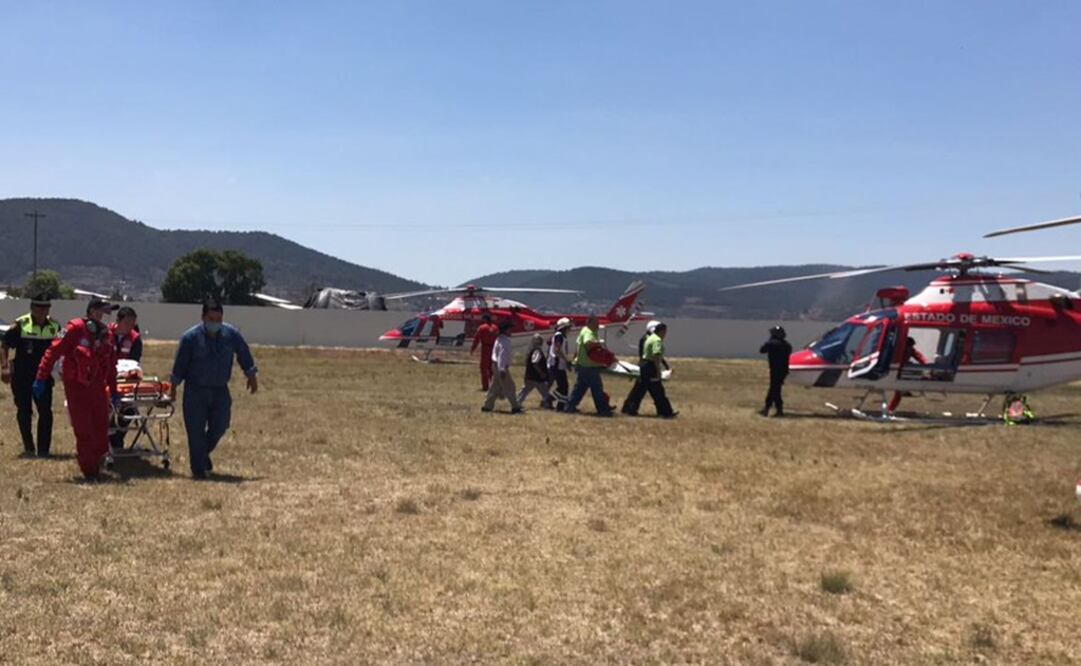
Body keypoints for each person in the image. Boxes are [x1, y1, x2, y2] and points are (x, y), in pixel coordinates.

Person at [170, 299, 258, 479]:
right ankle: (199, 469)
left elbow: (243, 352)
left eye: (218, 319)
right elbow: (180, 365)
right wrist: (173, 387)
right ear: (203, 317)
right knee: (195, 431)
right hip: (195, 391)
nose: (215, 323)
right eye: (211, 319)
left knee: (221, 425)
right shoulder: (190, 338)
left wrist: (251, 374)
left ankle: (201, 455)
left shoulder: (231, 334)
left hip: (220, 390)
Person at [35, 298, 120, 478]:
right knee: (84, 429)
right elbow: (53, 351)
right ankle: (89, 470)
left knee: (100, 427)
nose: (104, 316)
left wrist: (113, 390)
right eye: (101, 311)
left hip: (97, 386)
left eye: (107, 313)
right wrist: (41, 377)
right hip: (77, 386)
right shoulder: (74, 329)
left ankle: (98, 463)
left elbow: (111, 365)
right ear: (91, 312)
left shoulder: (107, 336)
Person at [1, 294, 62, 457]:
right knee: (24, 410)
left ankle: (43, 450)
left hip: (43, 377)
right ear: (32, 308)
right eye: (39, 308)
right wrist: (4, 367)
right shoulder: (20, 324)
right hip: (22, 375)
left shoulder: (55, 326)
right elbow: (5, 345)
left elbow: (63, 347)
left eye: (46, 308)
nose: (43, 311)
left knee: (45, 412)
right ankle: (29, 447)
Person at [623, 321, 677, 418]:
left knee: (640, 389)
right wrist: (658, 370)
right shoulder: (656, 340)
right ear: (661, 331)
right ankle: (665, 412)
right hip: (650, 366)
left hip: (644, 365)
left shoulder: (649, 338)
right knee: (657, 390)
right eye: (665, 332)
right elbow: (656, 355)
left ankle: (629, 409)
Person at [564, 315, 614, 416]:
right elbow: (588, 343)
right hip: (589, 366)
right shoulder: (588, 332)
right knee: (597, 388)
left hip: (582, 365)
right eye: (596, 323)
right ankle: (603, 410)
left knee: (580, 388)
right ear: (590, 323)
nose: (598, 325)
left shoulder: (584, 330)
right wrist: (599, 344)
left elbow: (578, 346)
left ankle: (569, 406)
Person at [108, 307, 142, 452]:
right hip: (106, 378)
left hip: (126, 381)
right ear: (118, 321)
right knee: (107, 409)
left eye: (132, 323)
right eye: (127, 322)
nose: (129, 326)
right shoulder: (105, 334)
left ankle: (118, 436)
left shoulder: (135, 339)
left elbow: (134, 362)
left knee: (129, 410)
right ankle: (108, 437)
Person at [481, 320, 522, 414]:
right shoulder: (505, 342)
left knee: (495, 387)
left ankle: (487, 405)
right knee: (510, 387)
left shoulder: (499, 339)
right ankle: (515, 406)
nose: (511, 330)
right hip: (500, 367)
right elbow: (502, 356)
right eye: (510, 329)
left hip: (496, 366)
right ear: (506, 330)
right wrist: (502, 369)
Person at [621, 320, 660, 416]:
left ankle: (629, 408)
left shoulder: (649, 338)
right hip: (646, 366)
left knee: (644, 389)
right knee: (639, 390)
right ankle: (629, 408)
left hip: (646, 366)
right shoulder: (646, 339)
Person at [888, 337, 927, 414]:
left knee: (898, 394)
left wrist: (926, 365)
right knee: (898, 394)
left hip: (902, 373)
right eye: (910, 346)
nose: (911, 348)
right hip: (895, 372)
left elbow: (919, 356)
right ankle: (890, 409)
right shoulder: (898, 350)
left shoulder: (910, 350)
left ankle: (891, 409)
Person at [759, 325, 792, 417]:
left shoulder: (771, 344)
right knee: (775, 389)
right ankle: (771, 408)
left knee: (774, 389)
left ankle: (772, 408)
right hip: (783, 370)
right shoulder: (787, 345)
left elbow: (762, 350)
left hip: (775, 370)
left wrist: (770, 340)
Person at [517, 333, 552, 409]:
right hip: (536, 377)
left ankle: (517, 402)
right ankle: (547, 404)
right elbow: (535, 362)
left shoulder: (532, 350)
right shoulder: (537, 351)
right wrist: (541, 372)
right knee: (544, 392)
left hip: (531, 376)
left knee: (525, 391)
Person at [546, 317, 573, 411]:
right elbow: (558, 350)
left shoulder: (561, 336)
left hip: (559, 364)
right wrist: (566, 361)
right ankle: (552, 401)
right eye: (568, 327)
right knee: (563, 386)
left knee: (563, 386)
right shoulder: (559, 336)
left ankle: (559, 404)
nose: (570, 329)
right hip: (556, 364)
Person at [470, 314, 499, 391]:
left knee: (484, 368)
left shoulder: (482, 328)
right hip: (494, 349)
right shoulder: (495, 328)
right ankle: (494, 385)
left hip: (485, 349)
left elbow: (476, 339)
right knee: (492, 368)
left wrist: (473, 348)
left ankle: (485, 386)